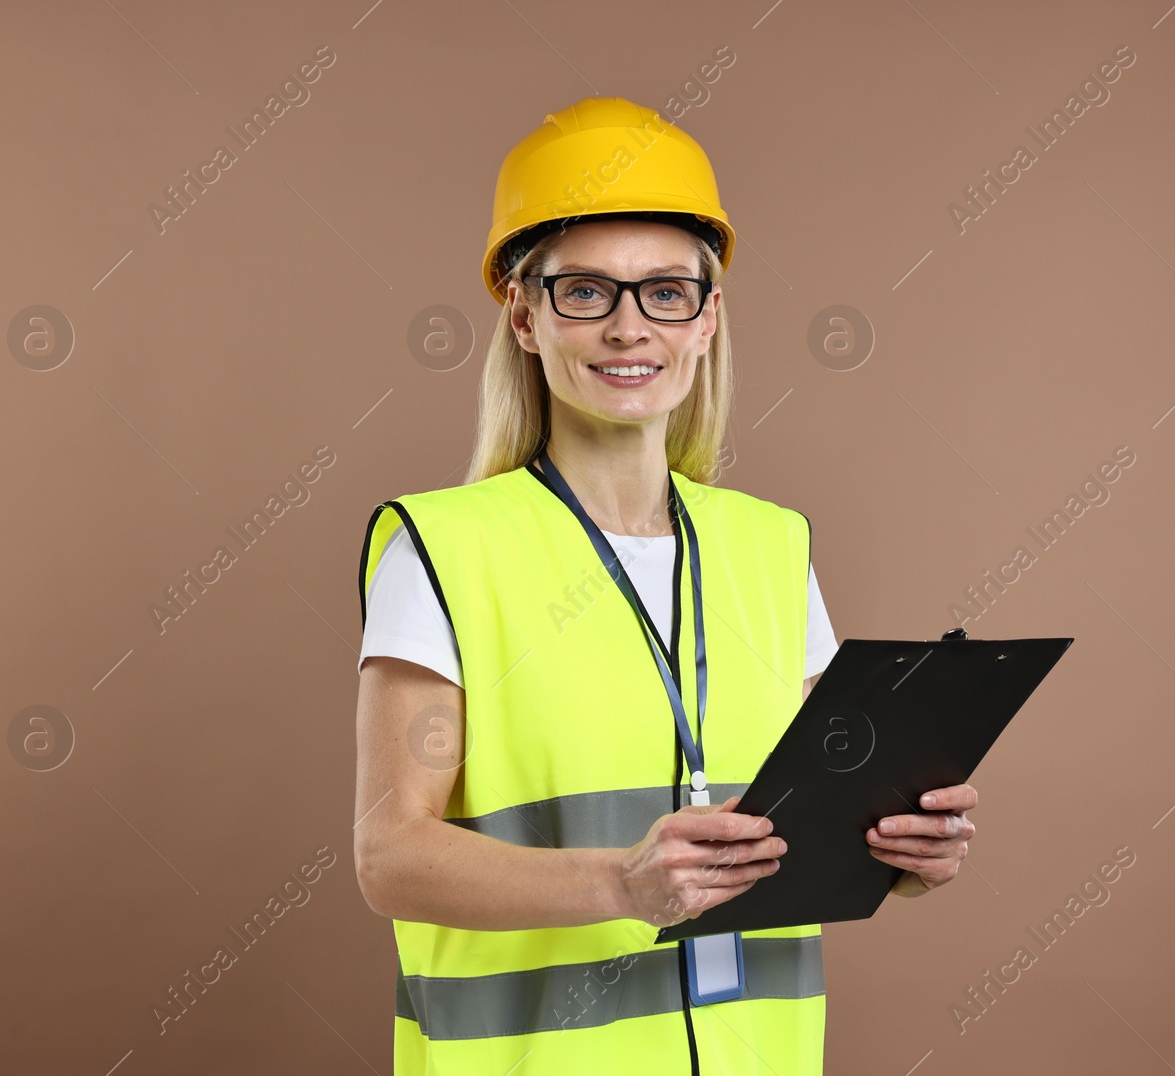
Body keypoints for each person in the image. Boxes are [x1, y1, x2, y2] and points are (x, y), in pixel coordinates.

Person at [352, 96, 977, 1075]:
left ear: (707, 316)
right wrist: (623, 882)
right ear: (523, 314)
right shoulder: (443, 550)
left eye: (665, 292)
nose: (627, 327)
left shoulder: (771, 548)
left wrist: (905, 857)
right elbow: (389, 854)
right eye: (585, 292)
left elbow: (819, 825)